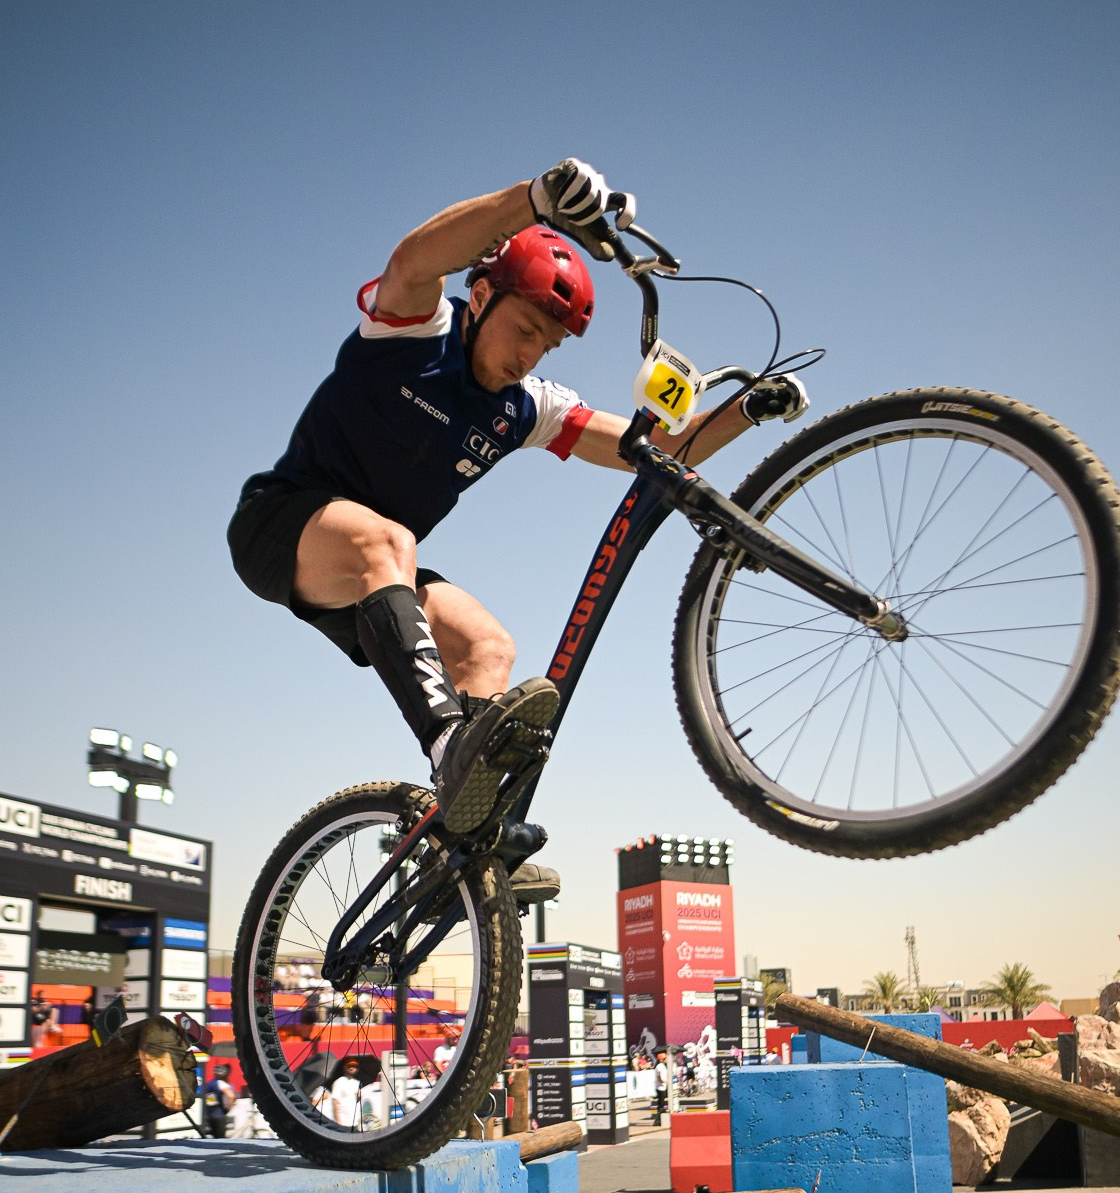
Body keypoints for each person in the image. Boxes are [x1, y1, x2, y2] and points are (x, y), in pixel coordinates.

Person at [228, 159, 808, 894]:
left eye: (548, 344)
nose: (531, 353)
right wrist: (532, 201)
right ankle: (447, 749)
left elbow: (655, 451)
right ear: (480, 296)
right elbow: (413, 261)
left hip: (376, 578)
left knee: (489, 647)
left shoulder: (525, 407)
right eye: (526, 328)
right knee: (388, 541)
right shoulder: (414, 331)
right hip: (280, 526)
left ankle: (459, 848)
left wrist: (745, 412)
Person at [202, 1064, 236, 1139]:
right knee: (220, 1138)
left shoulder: (209, 1083)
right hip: (218, 1114)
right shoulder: (221, 1083)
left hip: (207, 1114)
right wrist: (228, 1109)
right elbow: (231, 1096)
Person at [653, 1051, 670, 1127]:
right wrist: (664, 1081)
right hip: (660, 1087)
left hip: (663, 1087)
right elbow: (659, 1077)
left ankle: (659, 1120)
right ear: (661, 1059)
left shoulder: (663, 1066)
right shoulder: (659, 1066)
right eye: (665, 1058)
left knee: (661, 1104)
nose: (666, 1060)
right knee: (661, 1104)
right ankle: (657, 1120)